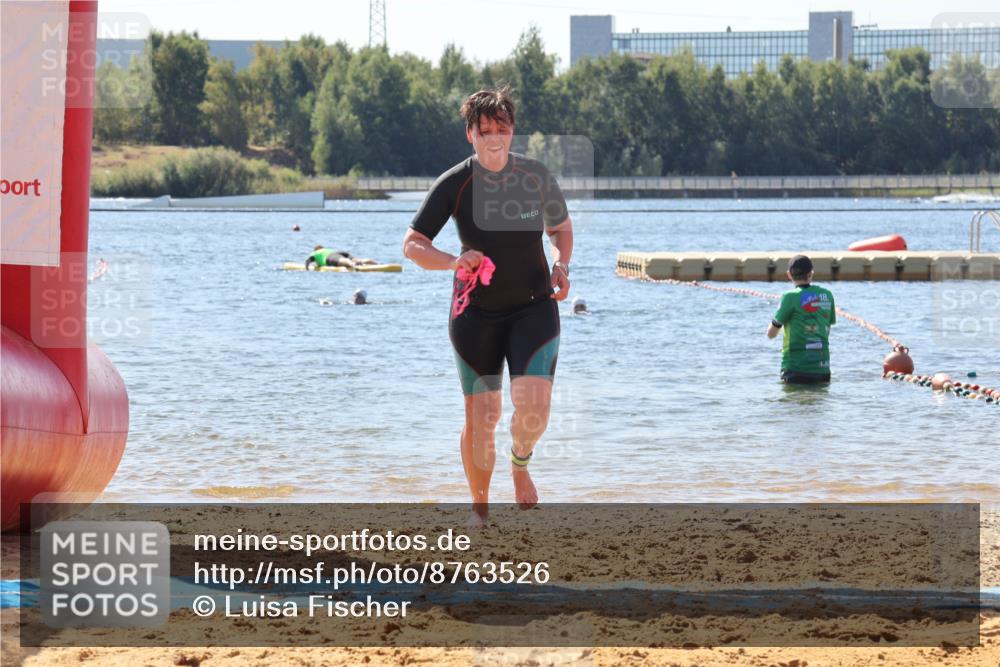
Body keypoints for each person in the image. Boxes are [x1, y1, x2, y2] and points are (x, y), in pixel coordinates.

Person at [402, 86, 573, 523]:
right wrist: (454, 262)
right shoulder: (455, 183)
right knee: (484, 416)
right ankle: (480, 512)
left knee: (534, 410)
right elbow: (413, 245)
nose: (495, 137)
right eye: (485, 130)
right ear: (470, 135)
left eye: (503, 128)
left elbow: (560, 229)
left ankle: (520, 464)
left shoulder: (535, 176)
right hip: (474, 313)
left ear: (513, 131)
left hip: (534, 305)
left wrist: (561, 263)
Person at [766, 255, 836, 384]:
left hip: (795, 368)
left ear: (789, 275)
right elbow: (826, 330)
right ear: (811, 274)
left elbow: (771, 334)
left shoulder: (789, 297)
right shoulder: (827, 295)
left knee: (793, 402)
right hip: (822, 369)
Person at [305, 245, 377, 271]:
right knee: (359, 260)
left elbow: (308, 260)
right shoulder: (326, 249)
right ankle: (376, 264)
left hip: (330, 257)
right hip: (340, 252)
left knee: (345, 261)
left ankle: (353, 265)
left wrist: (307, 268)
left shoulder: (315, 253)